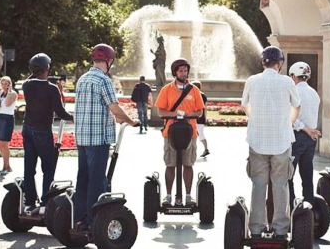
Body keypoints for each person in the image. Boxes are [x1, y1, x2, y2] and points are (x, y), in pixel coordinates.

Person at [73, 44, 140, 231]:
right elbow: (115, 108)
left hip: (82, 137)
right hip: (98, 140)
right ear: (109, 61)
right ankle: (94, 221)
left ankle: (79, 219)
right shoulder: (104, 80)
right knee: (97, 181)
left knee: (83, 179)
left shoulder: (83, 80)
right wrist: (131, 121)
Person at [241, 46, 301, 239]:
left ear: (263, 62)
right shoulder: (286, 81)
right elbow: (297, 106)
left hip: (257, 139)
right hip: (281, 141)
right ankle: (280, 229)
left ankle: (256, 228)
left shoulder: (252, 81)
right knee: (280, 184)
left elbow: (244, 105)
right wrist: (288, 123)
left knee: (258, 185)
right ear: (280, 63)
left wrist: (255, 119)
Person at [22, 53, 74, 214]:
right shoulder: (51, 89)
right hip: (42, 131)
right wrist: (73, 117)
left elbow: (32, 78)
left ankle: (29, 202)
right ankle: (45, 203)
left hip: (27, 129)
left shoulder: (27, 85)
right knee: (48, 167)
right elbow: (60, 112)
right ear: (47, 69)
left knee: (29, 168)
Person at [155, 58, 205, 206]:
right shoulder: (166, 90)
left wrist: (187, 115)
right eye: (181, 71)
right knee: (170, 164)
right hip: (170, 133)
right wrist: (176, 115)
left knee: (188, 164)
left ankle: (188, 196)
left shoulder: (194, 90)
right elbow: (160, 111)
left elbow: (199, 112)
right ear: (175, 73)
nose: (184, 73)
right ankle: (169, 196)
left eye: (185, 70)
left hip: (190, 133)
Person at [288, 62, 321, 207]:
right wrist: (310, 130)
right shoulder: (314, 93)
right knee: (307, 174)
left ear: (294, 76)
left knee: (288, 174)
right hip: (311, 139)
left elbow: (291, 118)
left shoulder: (294, 92)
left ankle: (291, 206)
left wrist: (305, 129)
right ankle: (309, 205)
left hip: (297, 137)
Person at [191, 80, 210, 157]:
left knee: (193, 134)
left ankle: (194, 150)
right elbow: (205, 108)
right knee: (200, 133)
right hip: (201, 117)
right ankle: (206, 149)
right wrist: (205, 117)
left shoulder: (192, 95)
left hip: (193, 117)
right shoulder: (203, 95)